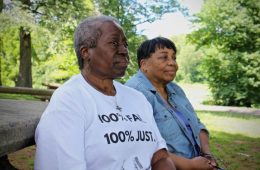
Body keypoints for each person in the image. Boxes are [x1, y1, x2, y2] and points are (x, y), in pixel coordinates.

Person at [34, 16, 176, 170]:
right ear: (86, 52)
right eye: (114, 43)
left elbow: (160, 156)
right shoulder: (69, 102)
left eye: (125, 44)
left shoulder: (137, 98)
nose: (124, 50)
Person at [126, 37, 218, 170]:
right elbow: (142, 146)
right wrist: (190, 165)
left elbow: (197, 124)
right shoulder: (134, 93)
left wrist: (207, 155)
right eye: (164, 57)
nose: (172, 63)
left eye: (174, 58)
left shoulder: (175, 89)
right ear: (144, 64)